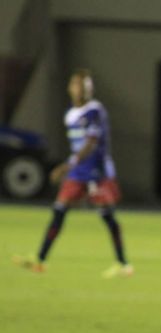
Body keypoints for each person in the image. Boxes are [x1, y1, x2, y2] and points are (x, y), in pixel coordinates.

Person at [12, 69, 132, 278]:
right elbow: (79, 144)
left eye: (87, 85)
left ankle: (123, 264)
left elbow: (92, 143)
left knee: (108, 217)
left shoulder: (95, 110)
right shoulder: (70, 114)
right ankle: (40, 260)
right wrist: (73, 166)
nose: (84, 89)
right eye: (79, 85)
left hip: (97, 171)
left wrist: (67, 165)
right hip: (78, 172)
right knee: (59, 211)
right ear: (71, 88)